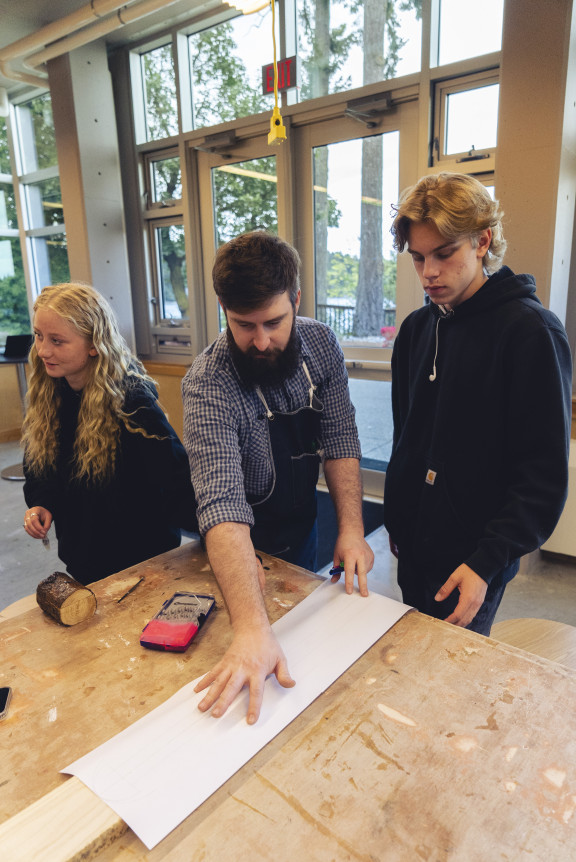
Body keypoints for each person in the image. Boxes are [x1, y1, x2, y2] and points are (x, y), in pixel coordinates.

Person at [182, 230, 374, 723]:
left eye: (274, 321)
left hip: (303, 526)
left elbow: (339, 438)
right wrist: (249, 626)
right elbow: (222, 509)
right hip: (241, 547)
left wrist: (351, 528)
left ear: (296, 298)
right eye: (244, 325)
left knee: (309, 646)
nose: (261, 341)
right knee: (254, 639)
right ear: (223, 306)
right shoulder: (208, 385)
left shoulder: (321, 344)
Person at [384, 172, 572, 635]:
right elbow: (406, 438)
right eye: (418, 258)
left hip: (473, 562)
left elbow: (543, 478)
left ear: (482, 241)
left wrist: (488, 561)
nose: (429, 272)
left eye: (445, 254)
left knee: (451, 684)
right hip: (413, 548)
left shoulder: (531, 334)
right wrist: (398, 519)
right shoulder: (415, 330)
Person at [22, 282, 196, 585]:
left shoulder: (133, 404)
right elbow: (41, 464)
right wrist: (42, 501)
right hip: (83, 557)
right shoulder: (50, 390)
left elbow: (176, 481)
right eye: (38, 335)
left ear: (94, 344)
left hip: (141, 561)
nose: (43, 350)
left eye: (58, 341)